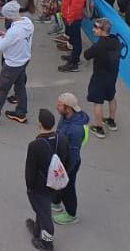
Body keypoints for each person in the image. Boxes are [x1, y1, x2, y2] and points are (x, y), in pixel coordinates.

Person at [24, 108, 70, 251]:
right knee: (43, 208)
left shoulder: (35, 145)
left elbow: (30, 170)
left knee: (44, 214)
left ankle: (47, 243)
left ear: (40, 124)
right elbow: (66, 161)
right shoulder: (61, 139)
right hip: (55, 183)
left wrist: (29, 186)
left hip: (40, 186)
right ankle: (37, 232)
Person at [53, 93, 89, 226]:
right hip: (60, 158)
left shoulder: (75, 130)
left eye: (59, 104)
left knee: (68, 188)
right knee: (57, 183)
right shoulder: (65, 117)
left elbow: (73, 154)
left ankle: (71, 214)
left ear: (68, 108)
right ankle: (56, 202)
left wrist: (66, 171)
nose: (57, 106)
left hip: (69, 163)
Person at [83, 18, 120, 138]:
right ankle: (111, 121)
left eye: (96, 27)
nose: (93, 29)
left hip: (99, 77)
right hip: (112, 75)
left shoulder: (99, 46)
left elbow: (86, 55)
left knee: (98, 102)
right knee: (111, 97)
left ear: (102, 30)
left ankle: (99, 128)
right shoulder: (115, 41)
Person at [57, 0, 92, 73]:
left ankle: (74, 63)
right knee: (72, 39)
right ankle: (73, 57)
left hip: (73, 18)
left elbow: (76, 6)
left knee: (76, 40)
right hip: (68, 16)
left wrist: (69, 19)